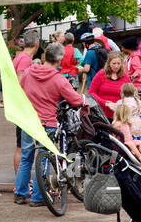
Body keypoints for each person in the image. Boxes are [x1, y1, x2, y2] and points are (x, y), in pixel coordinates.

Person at [15, 43, 84, 207]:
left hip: (28, 120)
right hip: (47, 122)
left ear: (45, 56)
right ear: (59, 60)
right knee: (44, 158)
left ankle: (20, 193)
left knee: (26, 157)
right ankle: (38, 197)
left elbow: (21, 88)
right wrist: (83, 100)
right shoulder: (58, 79)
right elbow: (75, 99)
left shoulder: (30, 72)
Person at [88, 52, 128, 118]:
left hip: (119, 115)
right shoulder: (101, 74)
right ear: (109, 63)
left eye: (118, 63)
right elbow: (91, 93)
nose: (116, 66)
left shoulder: (125, 77)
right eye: (114, 63)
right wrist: (105, 103)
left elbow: (130, 94)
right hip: (101, 114)